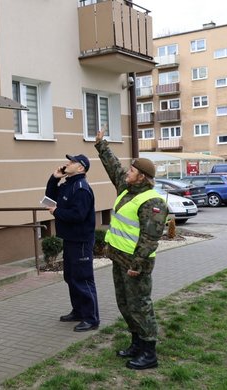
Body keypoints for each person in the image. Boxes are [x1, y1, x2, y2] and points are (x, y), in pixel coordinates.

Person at [95, 128, 168, 370]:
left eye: (133, 170)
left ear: (143, 177)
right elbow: (113, 167)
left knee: (140, 306)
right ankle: (136, 343)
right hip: (119, 259)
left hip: (136, 264)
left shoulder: (152, 201)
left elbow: (150, 237)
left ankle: (149, 353)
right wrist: (101, 144)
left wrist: (137, 265)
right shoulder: (126, 188)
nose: (128, 172)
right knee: (125, 305)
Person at [45, 154, 100, 332]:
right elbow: (50, 197)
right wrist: (54, 179)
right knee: (71, 277)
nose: (67, 163)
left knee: (82, 279)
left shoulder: (81, 188)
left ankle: (91, 319)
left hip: (81, 241)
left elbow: (78, 215)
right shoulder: (69, 184)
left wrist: (57, 212)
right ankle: (78, 311)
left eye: (72, 162)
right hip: (70, 239)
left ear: (81, 168)